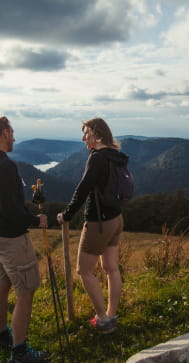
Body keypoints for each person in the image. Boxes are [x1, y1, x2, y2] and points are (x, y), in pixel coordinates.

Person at [0, 116, 48, 362]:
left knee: (1, 285)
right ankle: (20, 352)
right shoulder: (5, 165)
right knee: (26, 291)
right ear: (4, 133)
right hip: (11, 238)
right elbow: (11, 210)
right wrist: (36, 221)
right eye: (12, 132)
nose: (15, 137)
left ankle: (2, 336)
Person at [57, 117, 127, 334]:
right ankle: (112, 314)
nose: (83, 137)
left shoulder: (97, 158)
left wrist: (67, 214)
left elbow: (83, 188)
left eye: (86, 133)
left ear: (97, 134)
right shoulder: (117, 156)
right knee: (111, 268)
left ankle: (103, 319)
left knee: (84, 270)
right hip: (116, 219)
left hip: (99, 222)